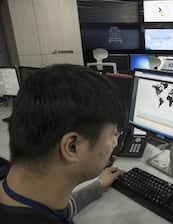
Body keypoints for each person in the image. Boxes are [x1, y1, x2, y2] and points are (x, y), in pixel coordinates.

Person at [0, 64, 128, 224]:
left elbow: (59, 209)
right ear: (72, 147)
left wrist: (97, 186)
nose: (114, 143)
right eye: (113, 133)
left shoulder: (16, 186)